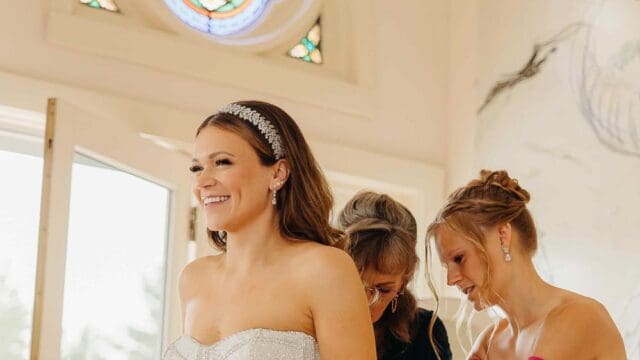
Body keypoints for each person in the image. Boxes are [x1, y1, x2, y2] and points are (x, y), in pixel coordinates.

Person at [163, 101, 376, 360]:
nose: (203, 181)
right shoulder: (193, 278)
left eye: (222, 162)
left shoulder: (324, 270)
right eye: (197, 167)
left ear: (278, 173)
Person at [426, 170, 626, 359]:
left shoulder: (581, 317)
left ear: (502, 236)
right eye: (447, 267)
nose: (451, 280)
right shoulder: (491, 340)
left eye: (459, 258)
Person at [339, 191, 452, 359]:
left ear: (403, 282)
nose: (367, 302)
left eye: (383, 290)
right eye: (356, 285)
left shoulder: (427, 333)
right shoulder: (304, 323)